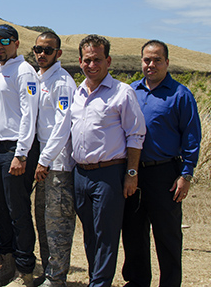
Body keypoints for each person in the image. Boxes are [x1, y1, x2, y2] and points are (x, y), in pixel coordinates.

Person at [122, 40, 201, 287]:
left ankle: (169, 283)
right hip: (133, 172)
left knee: (167, 235)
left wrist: (186, 175)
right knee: (133, 231)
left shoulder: (180, 95)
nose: (151, 64)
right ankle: (137, 281)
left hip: (165, 173)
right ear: (141, 61)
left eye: (157, 60)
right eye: (147, 60)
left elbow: (191, 137)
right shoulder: (131, 91)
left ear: (167, 62)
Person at [71, 34, 145, 287]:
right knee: (90, 235)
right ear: (80, 61)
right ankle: (96, 279)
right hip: (80, 174)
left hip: (109, 174)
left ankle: (99, 284)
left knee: (106, 235)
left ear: (108, 61)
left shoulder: (122, 93)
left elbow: (136, 135)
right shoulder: (77, 93)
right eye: (87, 60)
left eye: (97, 60)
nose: (92, 65)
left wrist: (131, 174)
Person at [0, 24, 39, 287]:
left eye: (5, 40)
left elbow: (30, 114)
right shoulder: (0, 72)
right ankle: (7, 264)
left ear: (16, 43)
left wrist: (22, 154)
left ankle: (25, 271)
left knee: (17, 211)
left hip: (15, 151)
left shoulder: (24, 71)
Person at [32, 31, 77, 287]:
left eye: (48, 50)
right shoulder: (39, 78)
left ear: (58, 53)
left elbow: (63, 126)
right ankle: (49, 271)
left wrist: (45, 159)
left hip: (57, 165)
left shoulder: (61, 82)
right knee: (44, 221)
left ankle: (57, 277)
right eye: (38, 49)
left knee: (58, 224)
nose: (42, 54)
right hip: (44, 164)